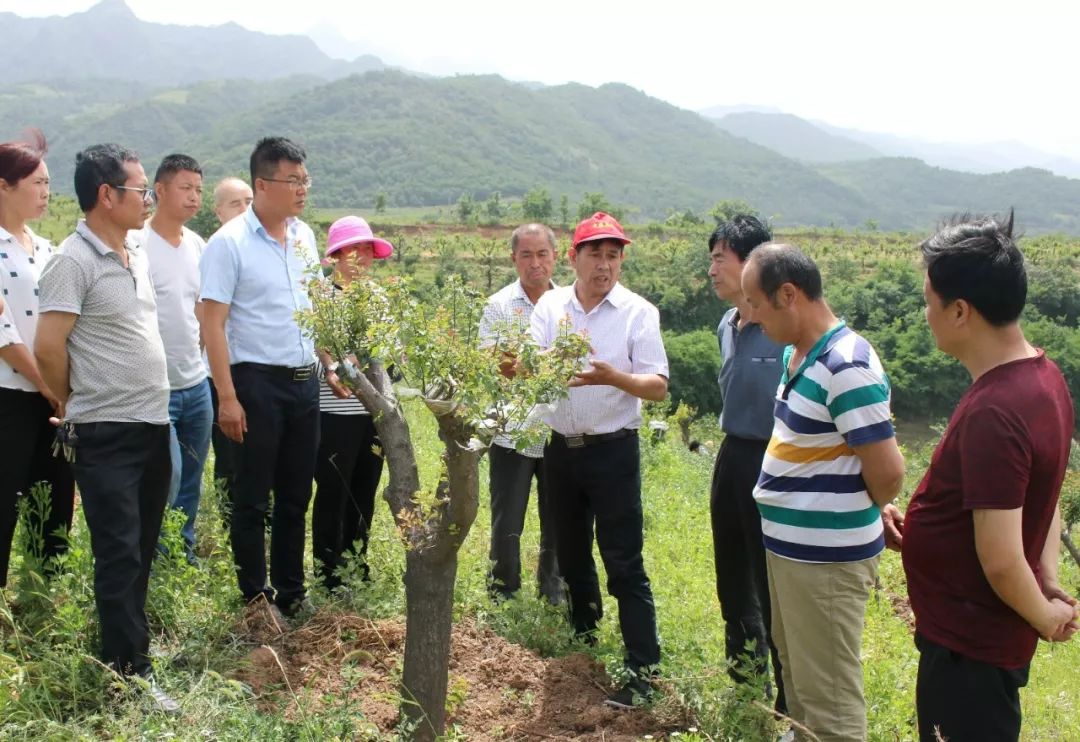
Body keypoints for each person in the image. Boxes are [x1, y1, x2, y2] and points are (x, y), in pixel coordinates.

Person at [885, 214, 1078, 741]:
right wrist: (1049, 579)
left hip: (969, 652)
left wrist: (1044, 614)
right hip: (974, 643)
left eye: (929, 301)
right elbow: (1046, 490)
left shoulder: (996, 410)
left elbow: (998, 558)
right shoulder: (1044, 376)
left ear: (960, 311)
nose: (925, 314)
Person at [741, 243, 904, 742]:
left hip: (825, 561)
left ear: (788, 295)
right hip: (794, 553)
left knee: (830, 699)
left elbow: (888, 472)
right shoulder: (801, 355)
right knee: (802, 680)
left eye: (755, 302)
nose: (748, 316)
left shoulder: (845, 364)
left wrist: (862, 510)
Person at [34, 143, 177, 711]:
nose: (148, 198)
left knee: (140, 547)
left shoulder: (132, 249)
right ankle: (130, 678)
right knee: (118, 551)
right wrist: (74, 399)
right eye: (141, 190)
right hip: (105, 430)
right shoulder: (72, 260)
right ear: (106, 195)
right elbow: (48, 347)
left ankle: (129, 651)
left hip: (151, 424)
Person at [530, 212, 668, 709]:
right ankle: (584, 646)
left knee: (623, 560)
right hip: (560, 450)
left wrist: (616, 378)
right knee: (570, 554)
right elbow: (530, 361)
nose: (604, 265)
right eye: (595, 254)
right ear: (574, 258)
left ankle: (642, 670)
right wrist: (535, 367)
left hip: (613, 451)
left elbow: (656, 386)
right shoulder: (550, 306)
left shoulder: (637, 313)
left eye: (613, 255)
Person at [198, 136, 319, 619]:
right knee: (252, 496)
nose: (303, 189)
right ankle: (255, 596)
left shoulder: (304, 236)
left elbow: (315, 307)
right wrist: (227, 397)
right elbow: (212, 324)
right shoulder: (228, 244)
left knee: (296, 493)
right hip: (255, 384)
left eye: (306, 179)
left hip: (303, 381)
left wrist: (328, 364)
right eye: (294, 181)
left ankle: (291, 592)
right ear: (262, 184)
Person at [705, 215, 786, 710]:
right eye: (711, 258)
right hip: (732, 453)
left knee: (770, 582)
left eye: (720, 258)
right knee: (732, 574)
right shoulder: (725, 325)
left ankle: (788, 698)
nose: (712, 269)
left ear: (752, 263)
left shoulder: (783, 330)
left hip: (774, 459)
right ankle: (747, 684)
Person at [0, 128, 74, 587]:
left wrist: (60, 390)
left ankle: (45, 598)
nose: (46, 193)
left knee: (54, 501)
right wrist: (46, 383)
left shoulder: (48, 249)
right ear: (4, 186)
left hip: (54, 399)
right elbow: (4, 332)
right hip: (10, 394)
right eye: (36, 183)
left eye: (49, 183)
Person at [478, 223, 562, 604]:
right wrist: (544, 362)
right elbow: (490, 363)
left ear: (555, 257)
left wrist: (521, 361)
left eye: (542, 254)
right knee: (507, 518)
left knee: (558, 517)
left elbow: (576, 360)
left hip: (558, 426)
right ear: (513, 258)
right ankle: (502, 590)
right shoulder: (498, 305)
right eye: (526, 255)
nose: (535, 263)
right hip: (511, 427)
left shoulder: (569, 304)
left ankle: (553, 590)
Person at [311, 215, 391, 590]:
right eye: (354, 249)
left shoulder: (377, 298)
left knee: (364, 490)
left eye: (367, 250)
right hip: (334, 414)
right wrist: (336, 365)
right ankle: (328, 574)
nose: (362, 257)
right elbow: (314, 349)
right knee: (332, 492)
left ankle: (357, 568)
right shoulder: (322, 297)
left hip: (371, 415)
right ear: (338, 255)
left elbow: (388, 354)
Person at [141, 154, 212, 561]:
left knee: (193, 480)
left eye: (199, 190)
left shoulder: (198, 246)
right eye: (185, 188)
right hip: (155, 387)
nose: (194, 197)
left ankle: (180, 557)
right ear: (160, 190)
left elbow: (202, 310)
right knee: (167, 478)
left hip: (195, 383)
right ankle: (155, 556)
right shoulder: (138, 245)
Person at [204, 176, 253, 514]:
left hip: (260, 374)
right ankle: (229, 522)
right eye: (236, 203)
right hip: (223, 374)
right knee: (230, 457)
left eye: (249, 202)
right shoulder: (215, 250)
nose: (245, 210)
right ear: (218, 211)